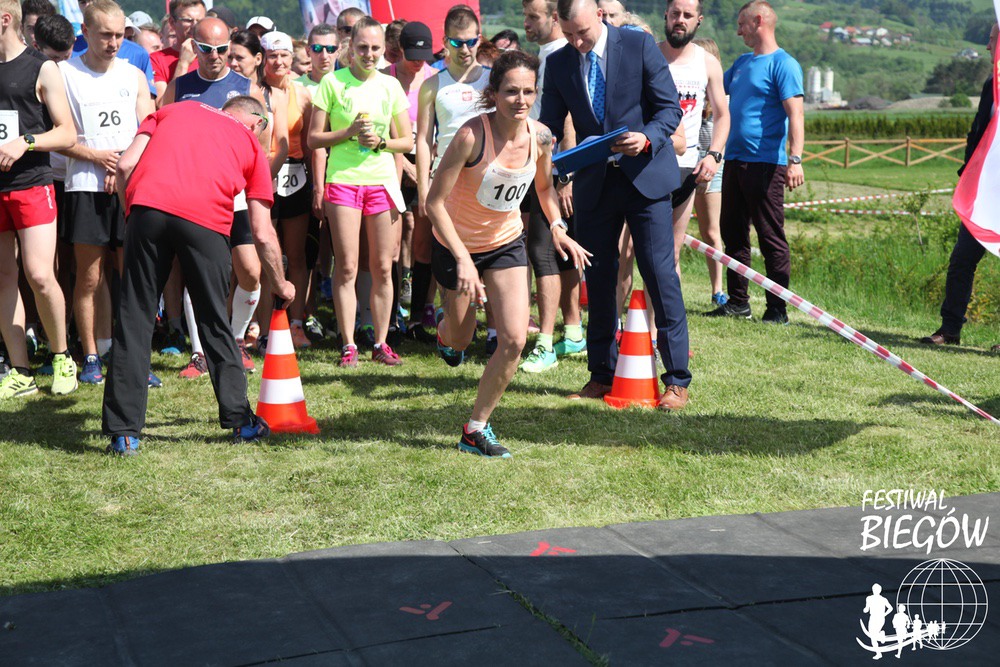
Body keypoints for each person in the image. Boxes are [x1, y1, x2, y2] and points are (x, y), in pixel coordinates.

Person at [103, 97, 293, 455]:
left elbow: (126, 164)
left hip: (147, 209)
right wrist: (281, 283)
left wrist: (133, 216)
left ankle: (124, 433)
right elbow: (262, 232)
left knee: (134, 317)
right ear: (255, 122)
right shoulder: (251, 143)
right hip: (205, 221)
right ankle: (240, 422)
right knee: (214, 320)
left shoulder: (174, 109)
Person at [427, 50, 590, 458]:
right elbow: (433, 203)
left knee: (515, 339)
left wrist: (558, 227)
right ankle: (445, 331)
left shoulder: (542, 137)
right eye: (511, 91)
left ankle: (475, 428)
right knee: (461, 339)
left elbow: (544, 189)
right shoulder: (471, 136)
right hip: (456, 244)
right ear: (494, 93)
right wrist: (463, 259)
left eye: (528, 92)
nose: (521, 100)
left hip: (505, 242)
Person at [539, 0, 691, 410]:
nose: (576, 42)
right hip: (595, 184)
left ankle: (677, 380)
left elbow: (669, 109)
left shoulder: (639, 46)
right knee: (600, 279)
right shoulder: (559, 64)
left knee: (659, 275)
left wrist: (646, 138)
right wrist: (533, 142)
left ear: (600, 16)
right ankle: (601, 374)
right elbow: (548, 124)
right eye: (568, 34)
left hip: (646, 178)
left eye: (582, 33)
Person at [308, 16, 413, 368]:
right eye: (363, 47)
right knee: (347, 266)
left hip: (381, 183)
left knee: (383, 266)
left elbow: (406, 141)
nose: (369, 54)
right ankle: (349, 343)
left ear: (384, 50)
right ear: (350, 47)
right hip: (343, 182)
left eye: (375, 48)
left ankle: (381, 342)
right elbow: (314, 139)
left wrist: (381, 142)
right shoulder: (332, 82)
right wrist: (348, 132)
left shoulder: (390, 85)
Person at [59, 0, 154, 385]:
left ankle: (135, 360)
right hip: (85, 185)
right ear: (85, 32)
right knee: (89, 277)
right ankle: (91, 356)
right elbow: (59, 135)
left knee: (133, 276)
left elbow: (149, 128)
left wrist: (123, 165)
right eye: (105, 35)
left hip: (130, 186)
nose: (114, 43)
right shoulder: (65, 73)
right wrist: (99, 158)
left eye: (119, 35)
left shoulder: (133, 74)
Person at [707, 0, 803, 324]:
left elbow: (796, 115)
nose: (738, 31)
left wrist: (795, 159)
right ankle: (738, 302)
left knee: (770, 236)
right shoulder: (742, 63)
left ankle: (777, 309)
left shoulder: (784, 64)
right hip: (734, 160)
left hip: (765, 165)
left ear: (758, 21)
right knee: (733, 233)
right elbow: (713, 88)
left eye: (741, 24)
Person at [0, 0, 77, 399]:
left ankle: (62, 356)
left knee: (40, 274)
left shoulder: (41, 67)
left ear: (5, 19)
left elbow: (67, 133)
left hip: (31, 183)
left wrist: (26, 142)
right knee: (3, 278)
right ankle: (20, 371)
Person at [412, 6, 491, 343]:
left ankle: (493, 329)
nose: (465, 48)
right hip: (447, 185)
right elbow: (422, 139)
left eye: (471, 41)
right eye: (457, 42)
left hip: (487, 181)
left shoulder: (493, 80)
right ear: (445, 42)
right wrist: (423, 187)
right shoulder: (433, 85)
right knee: (448, 254)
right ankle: (452, 325)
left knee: (491, 251)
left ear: (479, 39)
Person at [920, 23, 999, 351]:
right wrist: (968, 173)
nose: (987, 46)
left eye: (992, 39)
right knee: (962, 258)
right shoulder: (991, 84)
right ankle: (950, 328)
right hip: (985, 192)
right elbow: (978, 132)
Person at [521, 0, 585, 372]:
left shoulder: (560, 54)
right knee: (560, 253)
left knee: (542, 250)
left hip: (554, 170)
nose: (526, 22)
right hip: (541, 167)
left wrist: (565, 176)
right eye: (525, 15)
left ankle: (545, 343)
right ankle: (573, 331)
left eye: (533, 16)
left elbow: (569, 119)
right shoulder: (549, 54)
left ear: (554, 18)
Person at [660, 0, 728, 284]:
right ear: (666, 15)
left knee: (672, 253)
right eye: (675, 13)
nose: (680, 19)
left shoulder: (707, 63)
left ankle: (666, 314)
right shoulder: (649, 55)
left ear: (698, 20)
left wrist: (713, 155)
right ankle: (621, 310)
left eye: (687, 15)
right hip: (648, 165)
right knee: (632, 251)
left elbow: (722, 114)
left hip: (686, 168)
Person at [692, 36, 727, 305]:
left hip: (711, 167)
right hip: (684, 165)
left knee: (711, 232)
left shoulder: (720, 99)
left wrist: (711, 166)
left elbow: (722, 138)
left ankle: (718, 290)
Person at [150, 0, 206, 101]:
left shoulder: (216, 54)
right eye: (188, 20)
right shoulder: (156, 60)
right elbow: (163, 104)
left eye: (200, 20)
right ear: (172, 22)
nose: (194, 25)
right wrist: (183, 64)